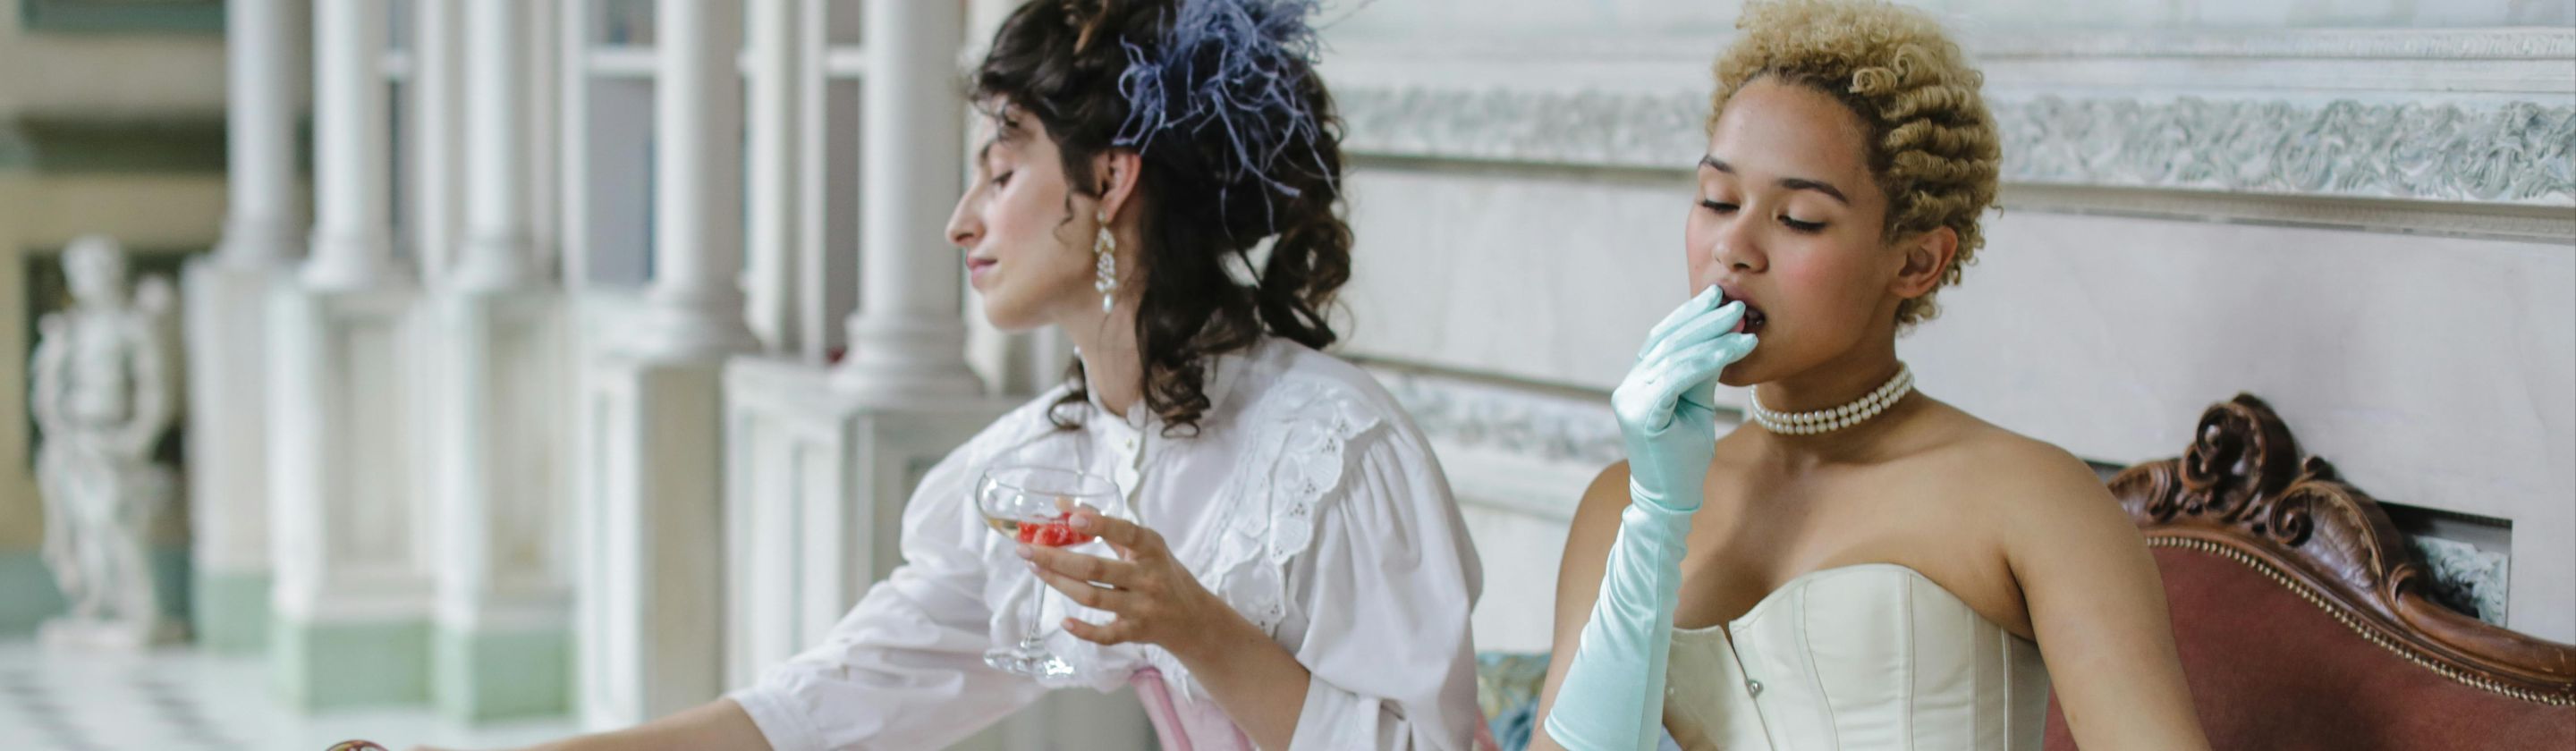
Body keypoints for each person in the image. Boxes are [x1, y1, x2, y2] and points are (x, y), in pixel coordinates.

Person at [430, 1, 1487, 749]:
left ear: (1110, 179)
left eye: (1001, 169)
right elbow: (818, 712)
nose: (960, 222)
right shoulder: (1051, 467)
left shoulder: (1327, 453)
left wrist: (1198, 628)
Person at [1529, 2, 2211, 749]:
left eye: (1799, 218)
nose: (1734, 247)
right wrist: (1658, 514)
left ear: (1916, 261)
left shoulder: (2034, 497)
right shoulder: (1622, 503)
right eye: (1718, 200)